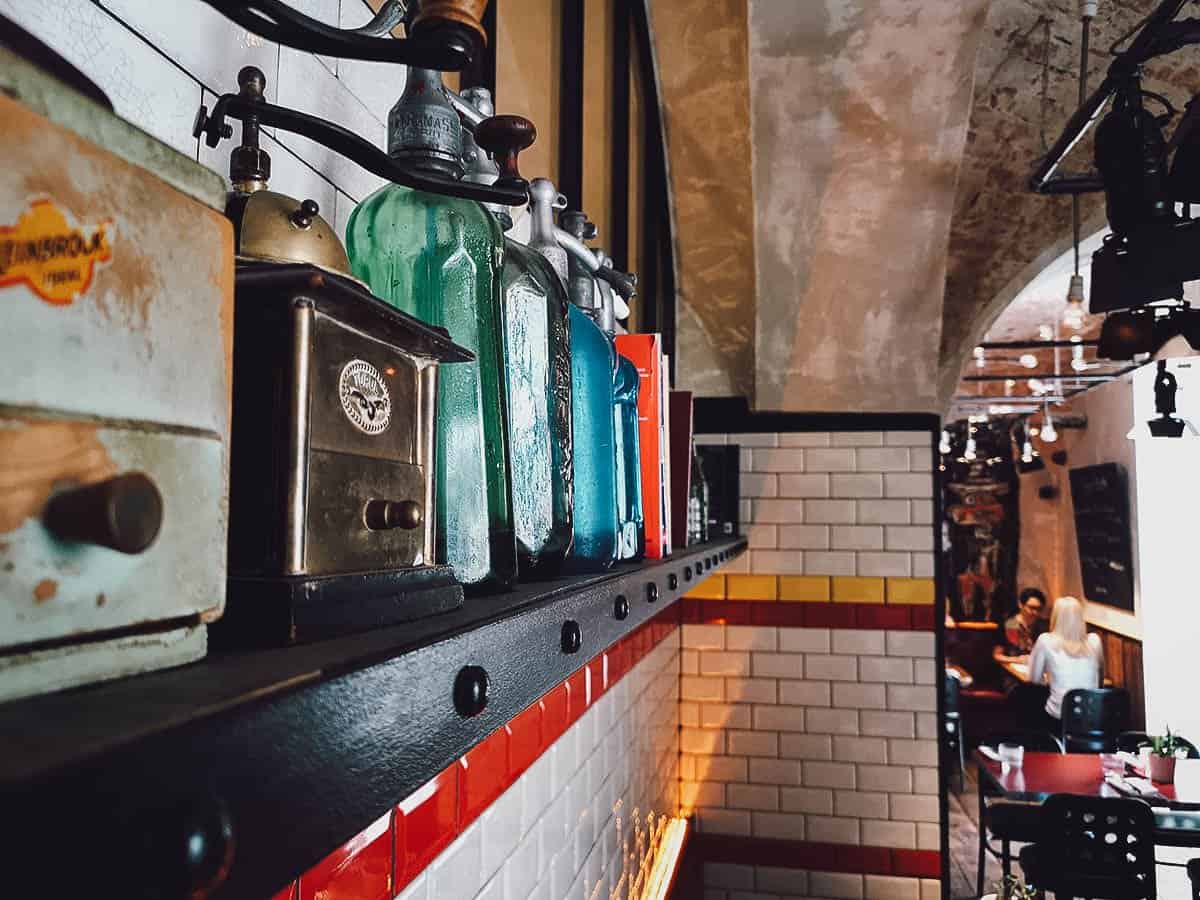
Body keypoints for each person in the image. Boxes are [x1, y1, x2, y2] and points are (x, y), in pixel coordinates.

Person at [1027, 596, 1104, 726]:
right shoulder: (1094, 641)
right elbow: (1100, 680)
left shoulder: (1046, 640)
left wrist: (1049, 679)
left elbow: (1034, 679)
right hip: (1093, 718)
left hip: (1060, 718)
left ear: (1055, 617)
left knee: (1031, 705)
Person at [994, 588, 1046, 662]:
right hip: (1012, 668)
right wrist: (1017, 659)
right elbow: (997, 655)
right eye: (1032, 608)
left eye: (1039, 609)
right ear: (1020, 605)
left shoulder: (1042, 627)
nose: (1035, 613)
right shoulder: (1008, 624)